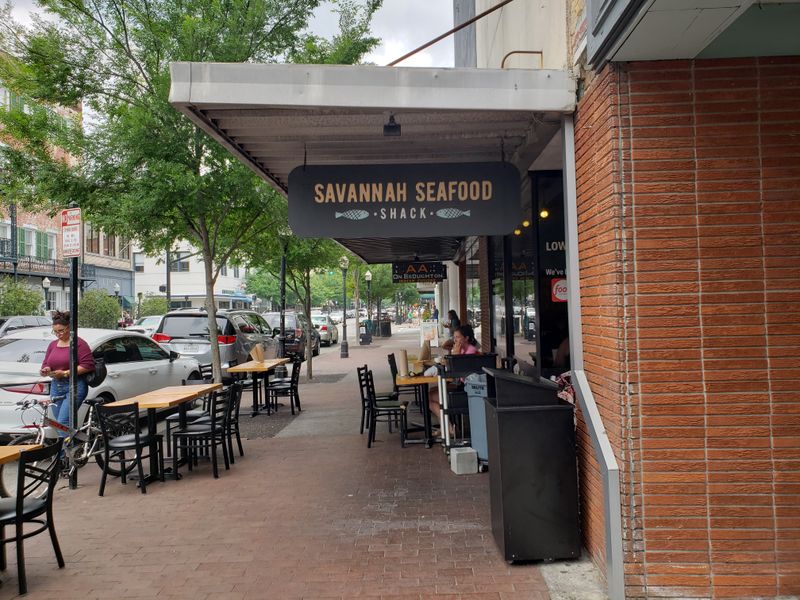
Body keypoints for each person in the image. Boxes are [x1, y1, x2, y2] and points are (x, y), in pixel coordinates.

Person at [39, 311, 95, 436]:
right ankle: (74, 447)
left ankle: (64, 455)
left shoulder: (78, 343)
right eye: (55, 331)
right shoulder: (53, 345)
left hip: (74, 386)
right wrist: (46, 370)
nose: (58, 334)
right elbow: (46, 363)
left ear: (69, 328)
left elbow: (88, 365)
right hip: (56, 386)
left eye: (61, 331)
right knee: (60, 425)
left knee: (63, 422)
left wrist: (65, 373)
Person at [428, 324, 479, 436]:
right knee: (431, 393)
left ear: (466, 338)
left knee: (430, 399)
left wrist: (455, 354)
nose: (455, 340)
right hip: (461, 385)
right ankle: (446, 427)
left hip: (466, 391)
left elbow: (453, 371)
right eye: (454, 337)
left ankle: (448, 428)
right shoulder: (462, 349)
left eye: (458, 337)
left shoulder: (470, 351)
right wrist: (455, 350)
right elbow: (445, 346)